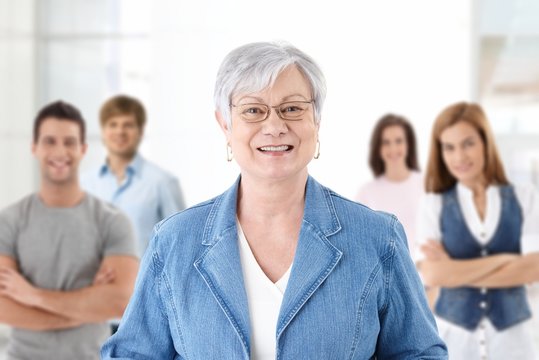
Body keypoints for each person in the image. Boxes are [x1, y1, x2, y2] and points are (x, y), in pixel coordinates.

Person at [101, 41, 447, 359]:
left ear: (317, 120)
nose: (275, 126)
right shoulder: (174, 242)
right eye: (253, 111)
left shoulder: (377, 238)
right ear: (225, 124)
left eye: (292, 108)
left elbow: (420, 354)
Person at [0, 101, 139, 359]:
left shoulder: (113, 221)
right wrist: (88, 304)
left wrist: (32, 296)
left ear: (83, 148)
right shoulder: (8, 221)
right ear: (34, 148)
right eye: (50, 141)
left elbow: (121, 303)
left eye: (69, 142)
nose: (59, 151)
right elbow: (3, 307)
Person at [417, 101, 539, 359]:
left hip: (515, 345)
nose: (459, 157)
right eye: (449, 148)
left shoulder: (525, 197)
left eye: (468, 143)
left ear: (485, 142)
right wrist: (507, 261)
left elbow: (534, 267)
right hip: (455, 344)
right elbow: (433, 274)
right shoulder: (433, 204)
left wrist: (455, 271)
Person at [82, 95, 186, 256]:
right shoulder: (85, 184)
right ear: (103, 132)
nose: (120, 131)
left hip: (143, 281)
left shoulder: (162, 182)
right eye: (113, 124)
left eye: (128, 125)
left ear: (141, 132)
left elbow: (180, 244)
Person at [356, 114, 423, 256]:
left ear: (408, 144)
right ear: (378, 148)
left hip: (422, 273)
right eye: (386, 142)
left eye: (398, 141)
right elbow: (360, 241)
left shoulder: (425, 185)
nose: (393, 148)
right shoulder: (367, 193)